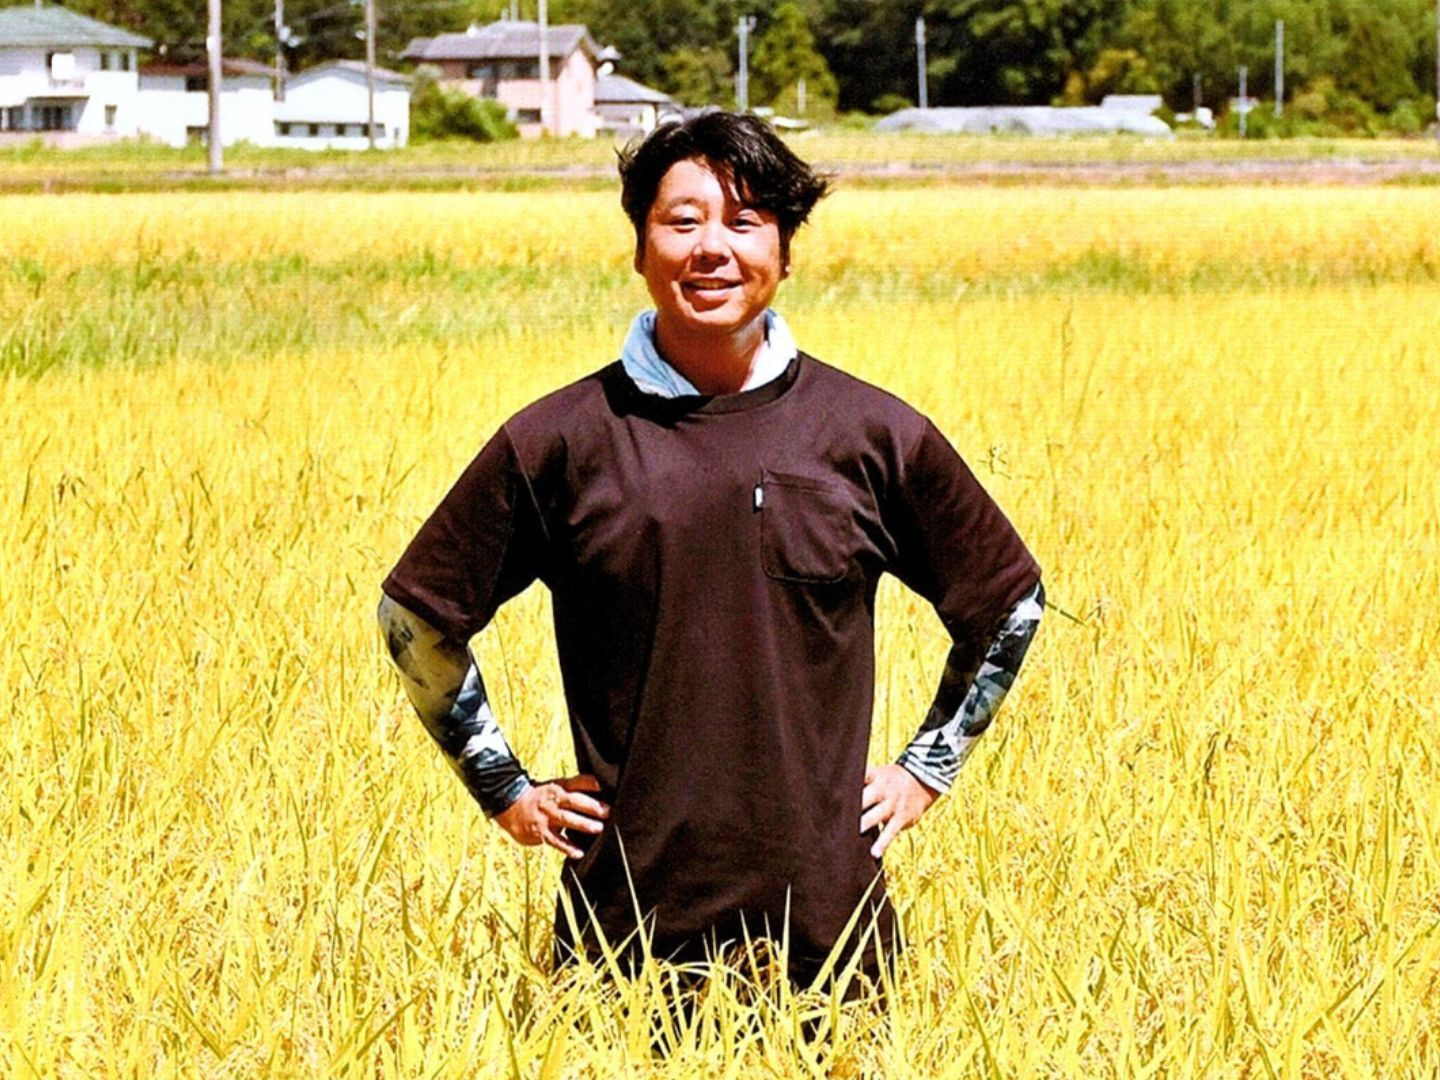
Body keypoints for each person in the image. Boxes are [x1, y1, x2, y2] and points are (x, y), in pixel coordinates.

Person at [377, 110, 1044, 993]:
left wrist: (927, 769)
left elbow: (1007, 604)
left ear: (786, 252)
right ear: (640, 247)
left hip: (831, 944)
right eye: (682, 221)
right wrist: (504, 787)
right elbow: (417, 617)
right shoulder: (562, 441)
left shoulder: (871, 435)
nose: (712, 249)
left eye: (745, 221)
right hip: (621, 948)